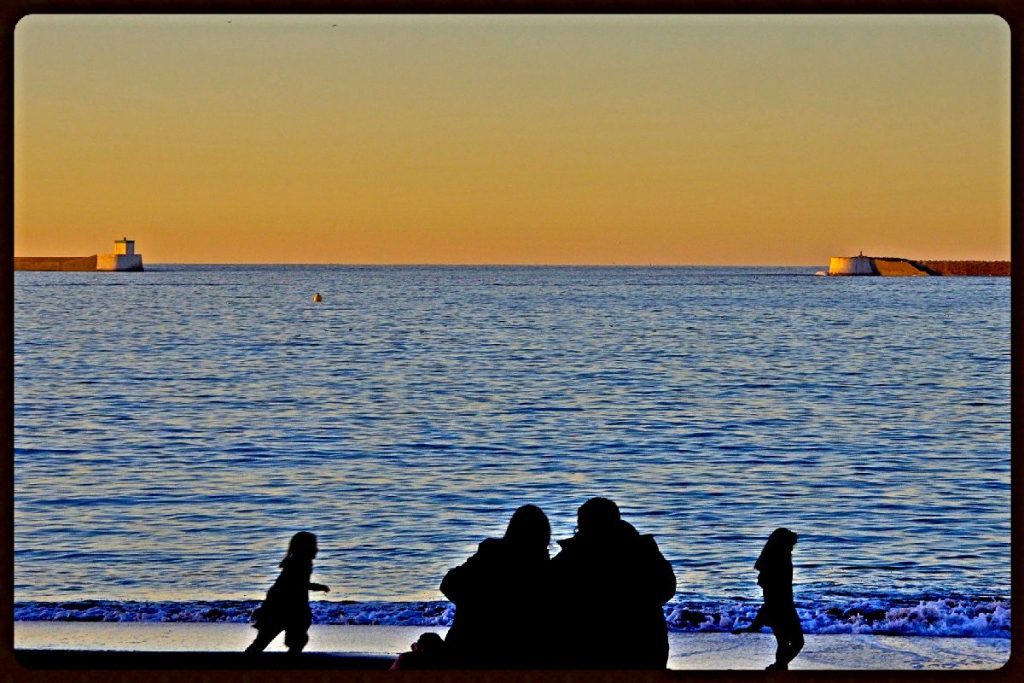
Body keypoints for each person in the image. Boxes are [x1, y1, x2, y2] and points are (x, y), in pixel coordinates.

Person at [549, 497, 676, 669]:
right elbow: (667, 588)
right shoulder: (642, 550)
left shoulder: (571, 556)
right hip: (646, 645)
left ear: (582, 524)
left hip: (589, 651)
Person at [440, 504, 553, 667]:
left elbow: (448, 584)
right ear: (544, 536)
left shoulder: (490, 554)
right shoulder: (542, 568)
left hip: (467, 646)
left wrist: (475, 605)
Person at [731, 527, 804, 670]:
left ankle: (779, 668)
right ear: (783, 544)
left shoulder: (774, 561)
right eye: (790, 545)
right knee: (796, 642)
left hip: (778, 606)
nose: (792, 549)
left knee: (783, 642)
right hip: (782, 607)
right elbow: (776, 591)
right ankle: (779, 667)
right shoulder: (779, 562)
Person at [245, 531, 330, 654]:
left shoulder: (298, 561)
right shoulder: (299, 563)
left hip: (282, 605)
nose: (317, 549)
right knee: (269, 640)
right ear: (305, 548)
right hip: (281, 606)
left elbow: (297, 585)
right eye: (314, 546)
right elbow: (297, 584)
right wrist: (318, 587)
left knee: (265, 640)